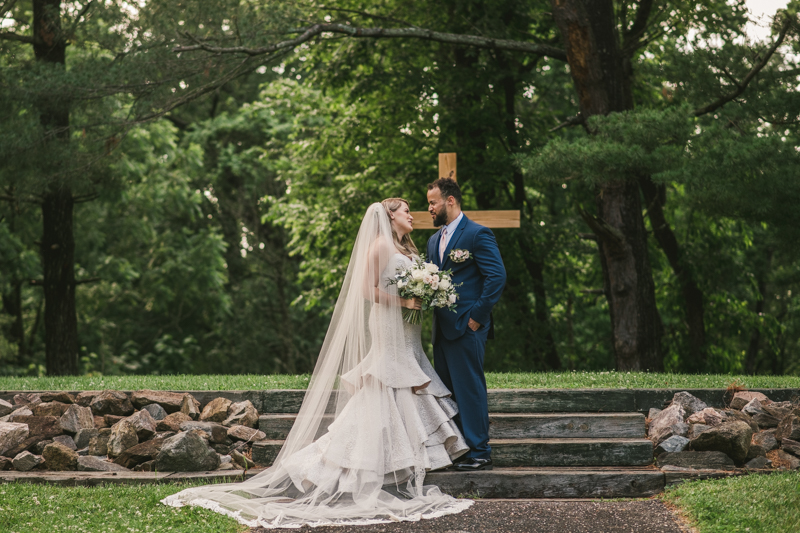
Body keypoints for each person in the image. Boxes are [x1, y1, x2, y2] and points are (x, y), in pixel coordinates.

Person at [161, 199, 471, 529]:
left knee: (405, 378)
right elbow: (367, 290)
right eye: (405, 211)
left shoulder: (402, 245)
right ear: (389, 216)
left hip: (407, 326)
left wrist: (423, 292)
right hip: (389, 322)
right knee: (384, 379)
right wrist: (404, 300)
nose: (412, 215)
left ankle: (401, 454)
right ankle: (325, 461)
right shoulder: (380, 245)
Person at [426, 178, 506, 471]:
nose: (430, 209)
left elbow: (496, 277)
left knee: (470, 388)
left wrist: (477, 318)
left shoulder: (477, 234)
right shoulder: (433, 241)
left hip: (468, 326)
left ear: (450, 201)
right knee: (448, 391)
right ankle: (459, 448)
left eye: (433, 202)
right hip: (442, 329)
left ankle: (480, 450)